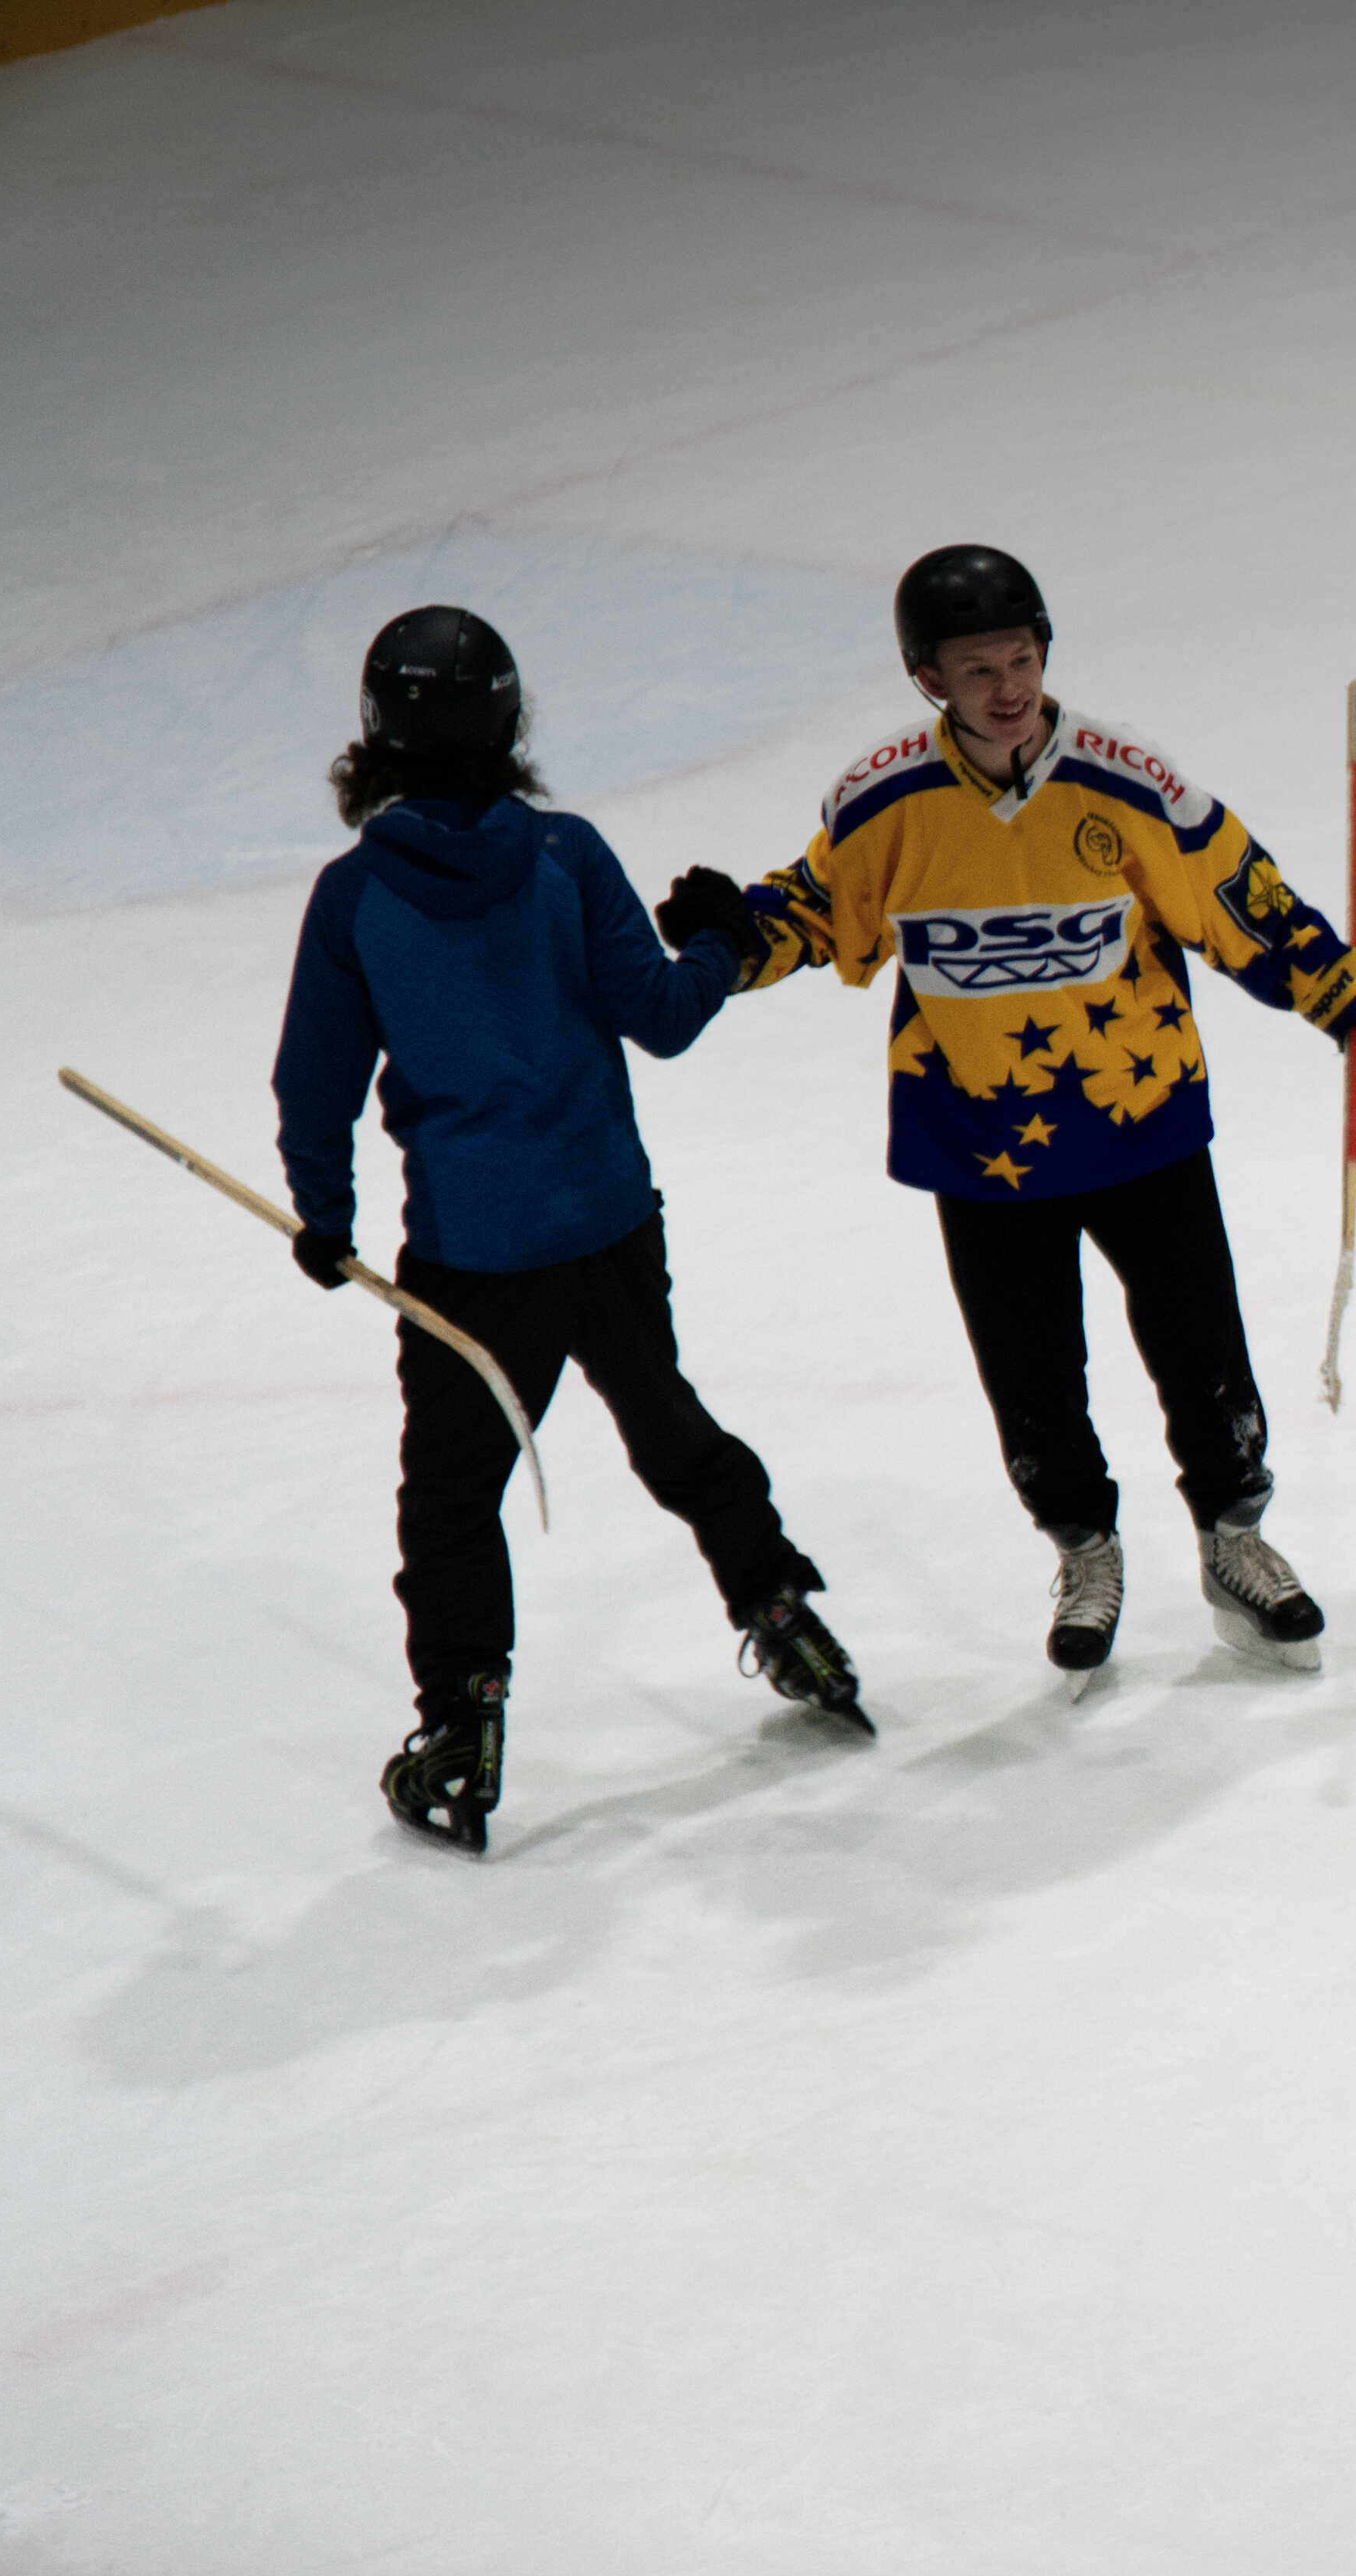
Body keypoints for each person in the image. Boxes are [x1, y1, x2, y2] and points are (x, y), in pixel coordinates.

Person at [663, 544, 1356, 1679]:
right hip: (980, 1142)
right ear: (928, 679)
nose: (1008, 688)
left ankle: (1233, 1538)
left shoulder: (1125, 780)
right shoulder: (885, 800)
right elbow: (821, 911)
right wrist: (734, 934)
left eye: (1022, 659)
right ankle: (1086, 1550)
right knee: (1033, 1378)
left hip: (1140, 1121)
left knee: (1202, 1348)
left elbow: (1229, 886)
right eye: (977, 668)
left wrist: (1322, 975)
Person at [271, 605, 861, 1856]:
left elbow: (314, 1084)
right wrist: (720, 937)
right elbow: (663, 1016)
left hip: (473, 1260)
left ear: (375, 735)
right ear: (510, 723)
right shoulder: (565, 855)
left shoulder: (356, 897)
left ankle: (460, 1720)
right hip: (607, 1224)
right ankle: (780, 1604)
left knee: (451, 1500)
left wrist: (325, 1216)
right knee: (670, 1426)